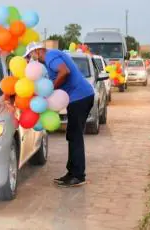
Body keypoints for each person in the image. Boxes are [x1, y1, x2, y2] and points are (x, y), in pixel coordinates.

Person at [23, 42, 95, 187]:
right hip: (79, 97)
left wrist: (50, 89)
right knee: (72, 135)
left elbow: (64, 71)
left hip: (80, 97)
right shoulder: (51, 58)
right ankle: (72, 172)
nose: (31, 59)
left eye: (30, 55)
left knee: (75, 136)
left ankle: (78, 175)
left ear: (37, 51)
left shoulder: (50, 56)